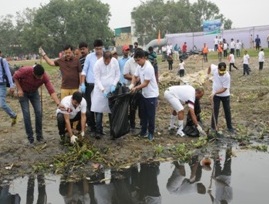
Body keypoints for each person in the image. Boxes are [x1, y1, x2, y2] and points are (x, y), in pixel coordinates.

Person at [13, 64, 61, 145]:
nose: (40, 78)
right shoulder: (25, 70)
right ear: (33, 73)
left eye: (41, 76)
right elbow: (15, 76)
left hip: (34, 93)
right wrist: (19, 89)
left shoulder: (44, 76)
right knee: (26, 114)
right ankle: (30, 138)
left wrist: (58, 103)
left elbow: (51, 90)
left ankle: (39, 136)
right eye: (38, 77)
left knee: (39, 112)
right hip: (23, 93)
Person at [129, 49, 159, 141]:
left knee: (150, 115)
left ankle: (151, 133)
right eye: (136, 60)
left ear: (143, 58)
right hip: (144, 94)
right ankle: (143, 132)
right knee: (143, 114)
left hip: (151, 95)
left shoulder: (149, 67)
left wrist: (136, 88)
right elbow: (135, 76)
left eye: (138, 60)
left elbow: (145, 83)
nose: (137, 62)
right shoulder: (140, 66)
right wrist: (132, 84)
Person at [91, 50, 120, 139]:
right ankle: (99, 131)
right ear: (103, 57)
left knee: (111, 111)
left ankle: (113, 131)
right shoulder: (98, 64)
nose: (106, 62)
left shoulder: (114, 62)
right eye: (105, 60)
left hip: (111, 89)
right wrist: (103, 90)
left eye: (108, 61)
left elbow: (117, 74)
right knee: (99, 111)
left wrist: (114, 84)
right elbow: (97, 79)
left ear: (111, 59)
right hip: (100, 91)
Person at [80, 39, 104, 135]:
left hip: (100, 86)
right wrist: (82, 83)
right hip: (90, 85)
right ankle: (92, 127)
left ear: (102, 48)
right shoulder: (89, 57)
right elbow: (84, 71)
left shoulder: (105, 57)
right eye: (96, 49)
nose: (98, 51)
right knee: (89, 108)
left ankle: (99, 129)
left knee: (99, 108)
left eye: (100, 49)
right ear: (94, 48)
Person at [207, 62, 235, 134]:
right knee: (215, 110)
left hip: (225, 95)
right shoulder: (215, 69)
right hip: (216, 96)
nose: (222, 73)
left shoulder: (227, 76)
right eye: (220, 71)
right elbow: (210, 65)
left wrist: (214, 93)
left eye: (223, 71)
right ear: (218, 68)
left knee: (227, 110)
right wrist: (208, 75)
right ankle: (213, 127)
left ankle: (229, 127)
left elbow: (224, 89)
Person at [124, 56, 141, 134]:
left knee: (141, 107)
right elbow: (125, 75)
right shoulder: (129, 62)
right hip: (131, 88)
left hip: (141, 88)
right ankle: (132, 125)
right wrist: (134, 79)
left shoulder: (142, 63)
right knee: (132, 108)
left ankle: (142, 123)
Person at [0, 51, 17, 126]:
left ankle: (13, 115)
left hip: (1, 84)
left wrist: (11, 85)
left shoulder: (3, 61)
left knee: (2, 104)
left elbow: (8, 73)